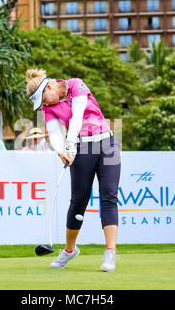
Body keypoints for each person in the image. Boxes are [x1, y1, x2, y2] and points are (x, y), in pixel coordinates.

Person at [26, 68, 121, 272]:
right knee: (78, 200)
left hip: (107, 144)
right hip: (81, 148)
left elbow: (78, 114)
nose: (45, 105)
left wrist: (69, 141)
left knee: (109, 197)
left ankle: (110, 252)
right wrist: (61, 150)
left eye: (44, 99)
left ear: (49, 86)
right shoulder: (48, 107)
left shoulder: (75, 84)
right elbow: (53, 132)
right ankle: (70, 250)